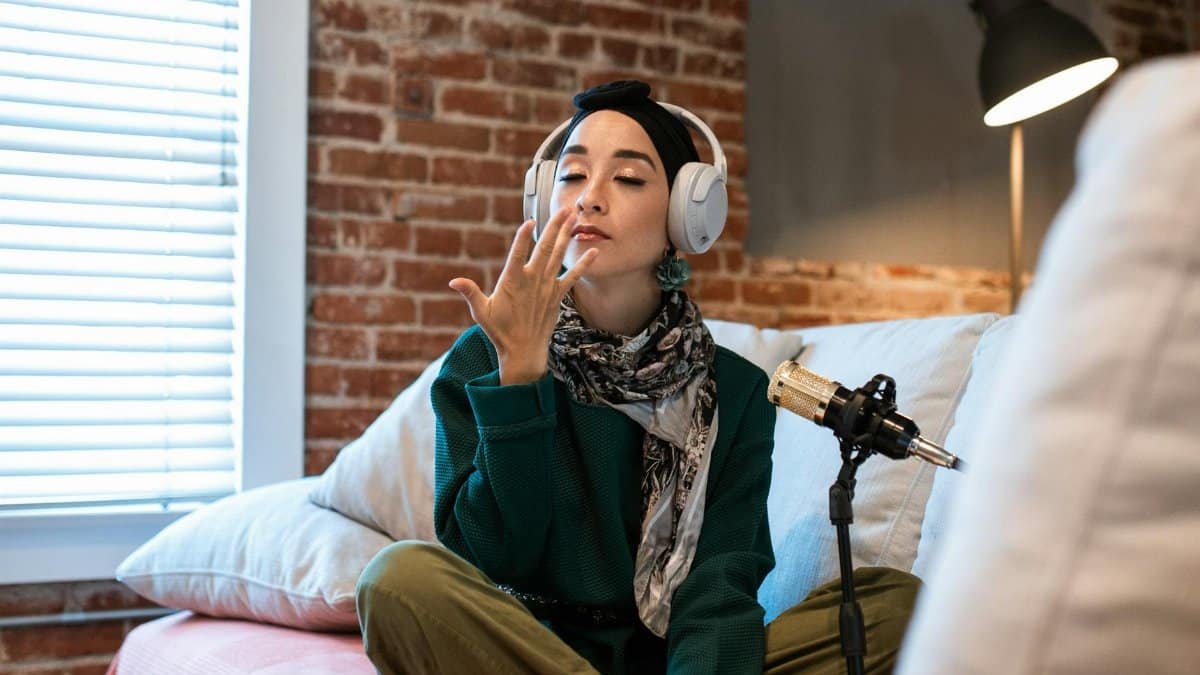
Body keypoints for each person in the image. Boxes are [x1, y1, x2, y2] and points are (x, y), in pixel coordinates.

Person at [355, 80, 920, 675]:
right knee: (397, 582)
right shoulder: (485, 358)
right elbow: (498, 557)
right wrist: (519, 379)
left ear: (687, 212)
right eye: (571, 176)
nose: (588, 200)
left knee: (892, 608)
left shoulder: (737, 392)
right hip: (528, 655)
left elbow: (719, 589)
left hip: (676, 660)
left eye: (627, 179)